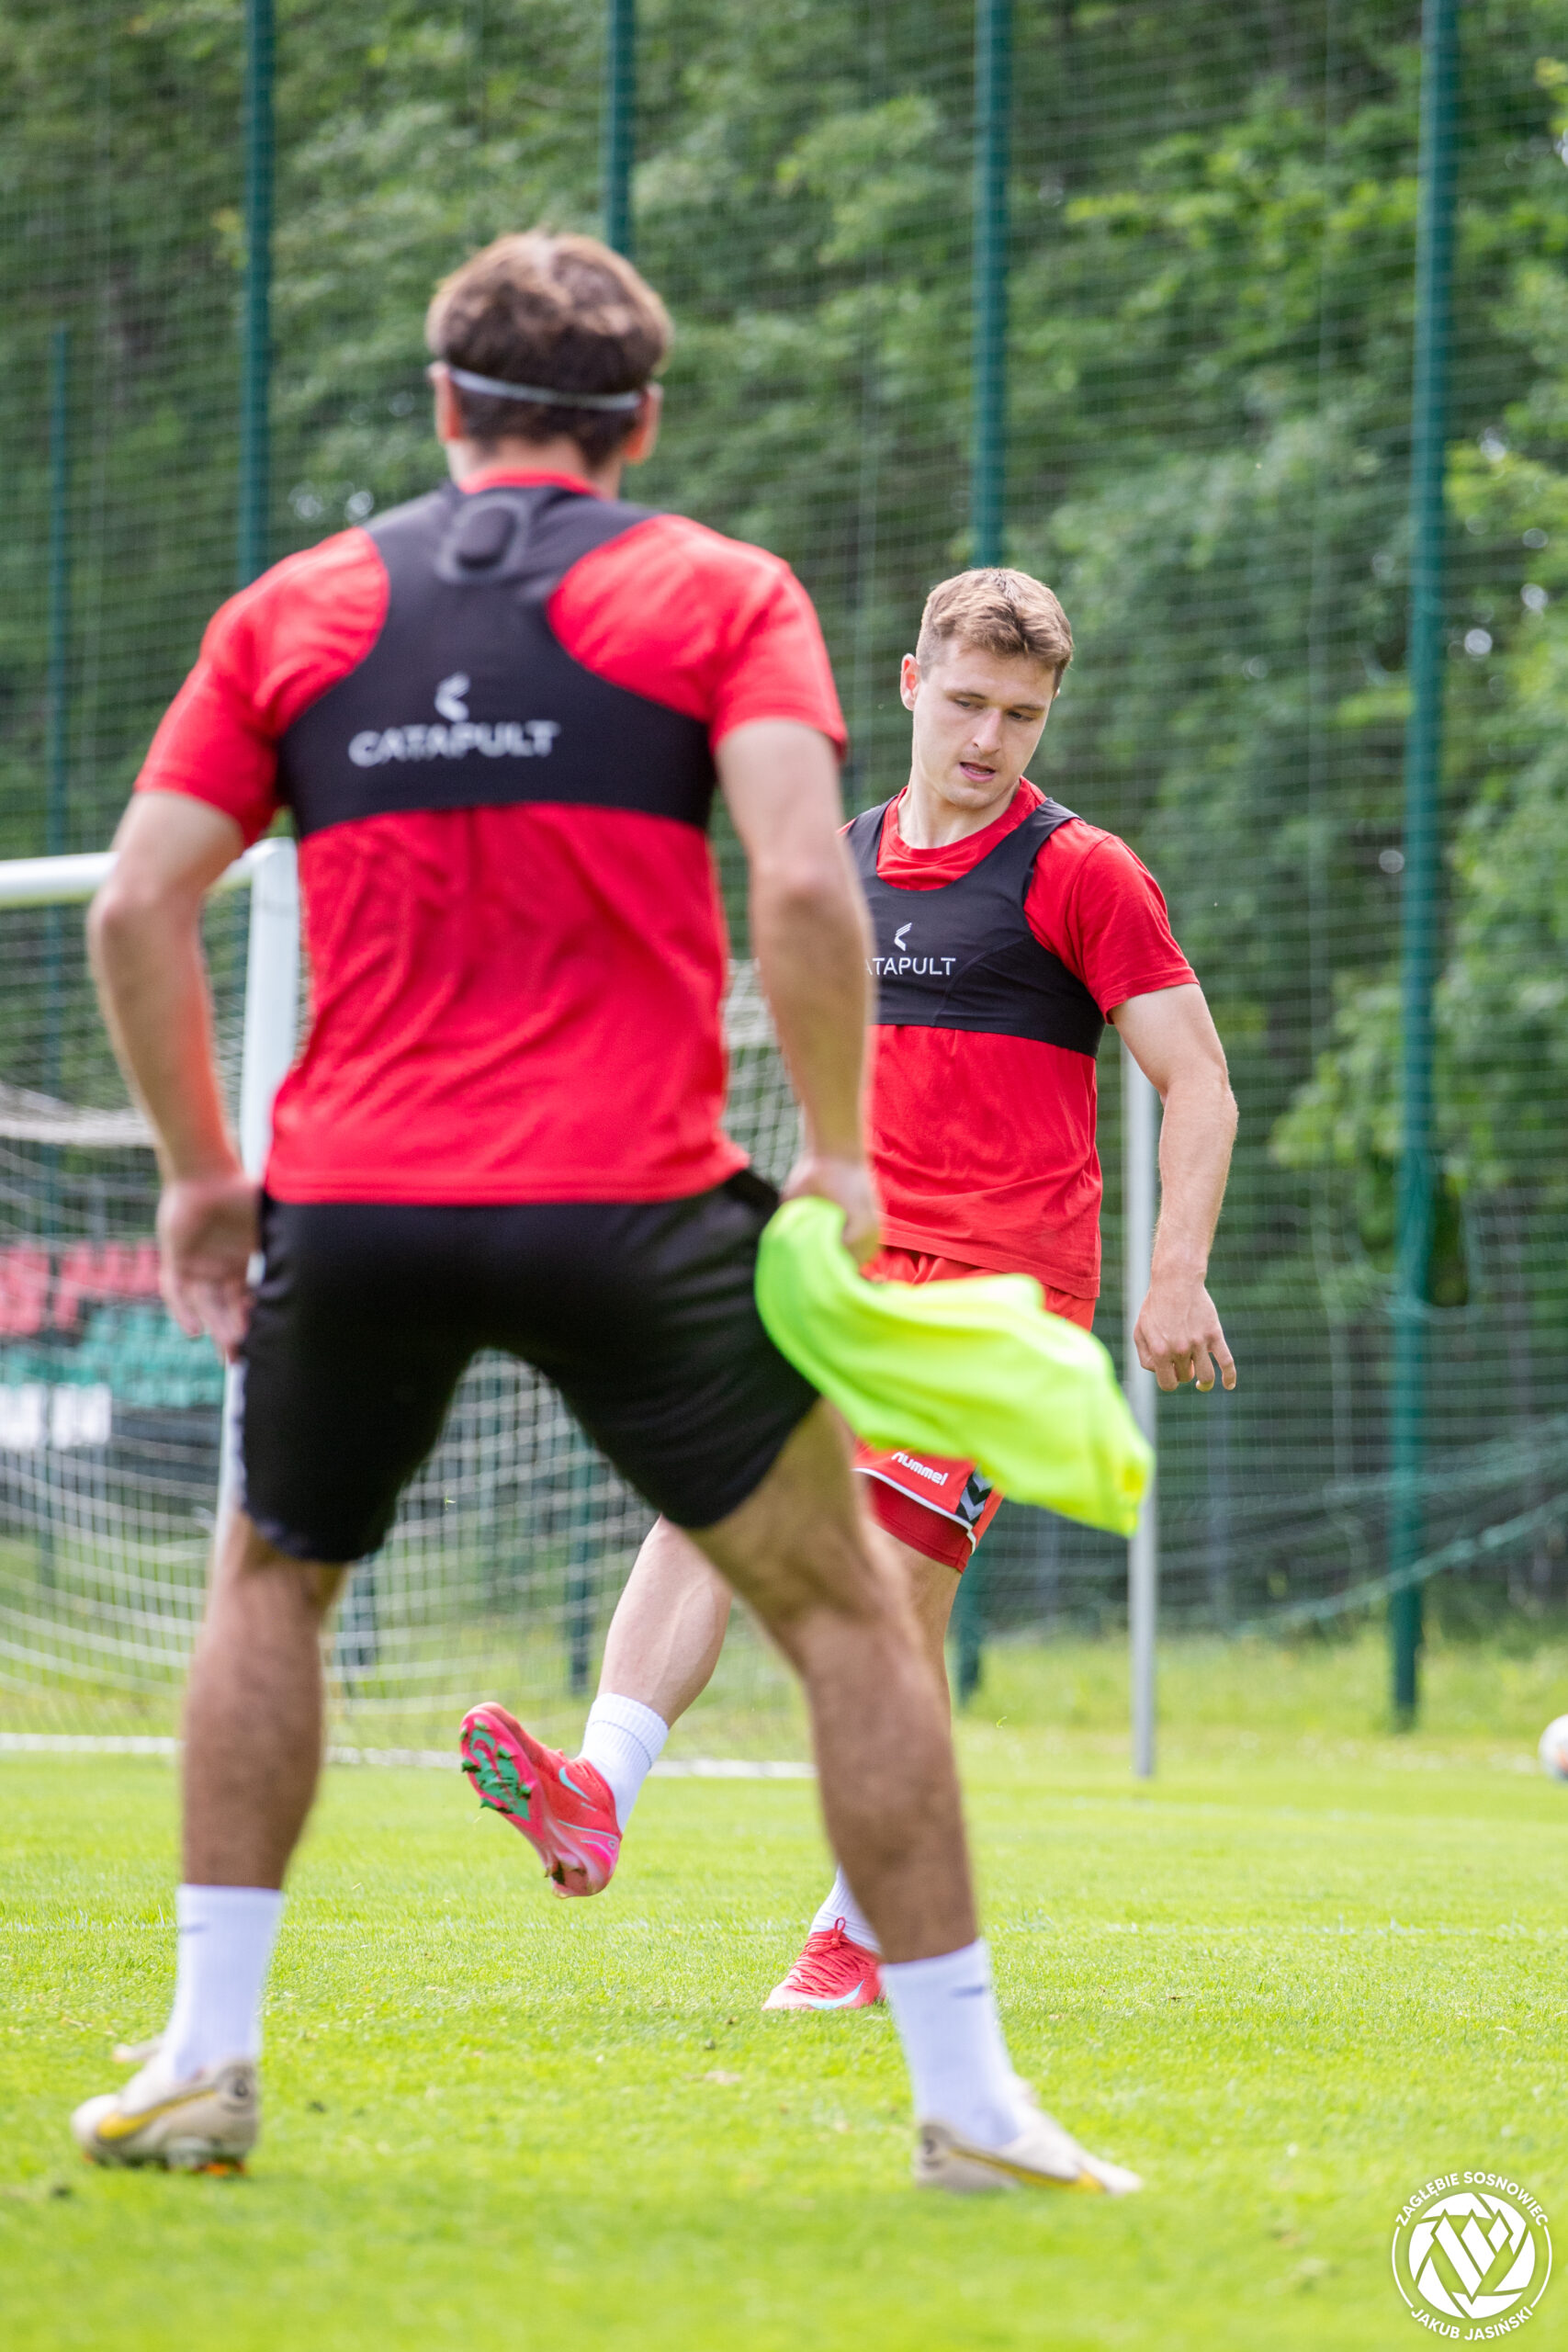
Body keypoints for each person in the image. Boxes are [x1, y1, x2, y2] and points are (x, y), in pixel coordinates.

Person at [73, 231, 1138, 2195]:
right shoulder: (719, 592)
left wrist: (204, 1177)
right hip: (631, 1196)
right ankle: (971, 2107)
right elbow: (805, 886)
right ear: (638, 423)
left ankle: (206, 2058)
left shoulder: (298, 606)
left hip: (360, 1190)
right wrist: (835, 1152)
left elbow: (135, 903)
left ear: (440, 404)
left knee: (270, 1588)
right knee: (849, 1619)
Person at [465, 562, 1237, 2012]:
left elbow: (1197, 1079)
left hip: (997, 1299)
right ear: (910, 684)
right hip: (842, 1272)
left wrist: (1175, 1271)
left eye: (1022, 715)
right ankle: (598, 1790)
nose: (989, 738)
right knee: (707, 1496)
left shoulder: (1083, 873)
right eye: (968, 703)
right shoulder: (831, 870)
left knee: (885, 1592)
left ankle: (863, 1927)